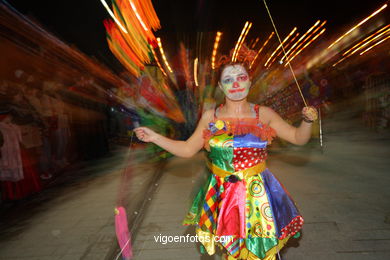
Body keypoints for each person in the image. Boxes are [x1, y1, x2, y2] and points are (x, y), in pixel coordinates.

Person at [134, 62, 318, 260]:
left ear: (249, 81)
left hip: (258, 195)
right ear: (221, 87)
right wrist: (155, 138)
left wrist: (307, 122)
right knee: (231, 251)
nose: (236, 84)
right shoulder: (210, 117)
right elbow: (187, 149)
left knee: (261, 251)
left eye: (241, 77)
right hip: (223, 194)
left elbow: (298, 138)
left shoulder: (263, 114)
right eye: (228, 80)